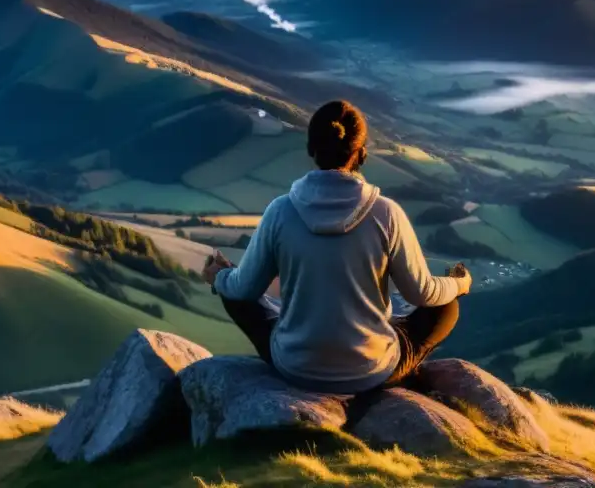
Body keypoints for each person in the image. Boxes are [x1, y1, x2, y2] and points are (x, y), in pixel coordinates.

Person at [202, 100, 471, 394]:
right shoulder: (386, 214)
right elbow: (421, 292)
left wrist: (219, 276)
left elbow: (244, 290)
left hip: (294, 366)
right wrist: (458, 283)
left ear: (310, 149)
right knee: (447, 306)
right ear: (362, 154)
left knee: (232, 288)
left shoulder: (280, 211)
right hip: (371, 371)